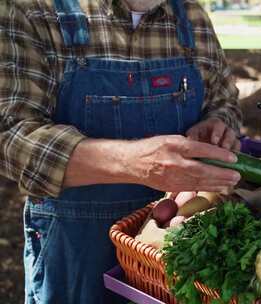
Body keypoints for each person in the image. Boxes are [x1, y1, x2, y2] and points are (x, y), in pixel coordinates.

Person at [0, 0, 244, 303]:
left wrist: (218, 125)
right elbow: (11, 136)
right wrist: (132, 163)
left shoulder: (192, 17)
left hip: (173, 261)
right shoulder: (34, 10)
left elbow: (225, 103)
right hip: (75, 255)